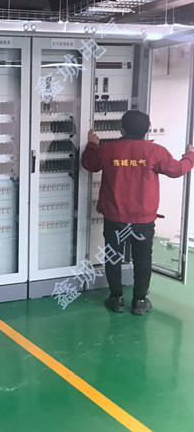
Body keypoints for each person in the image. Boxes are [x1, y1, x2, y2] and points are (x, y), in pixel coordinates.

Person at [82, 110, 194, 315]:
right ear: (147, 129)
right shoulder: (156, 152)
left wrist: (91, 145)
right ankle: (140, 301)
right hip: (143, 219)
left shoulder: (109, 150)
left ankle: (116, 299)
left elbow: (90, 164)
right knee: (143, 258)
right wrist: (190, 155)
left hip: (115, 217)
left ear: (122, 129)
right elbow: (178, 170)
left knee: (113, 256)